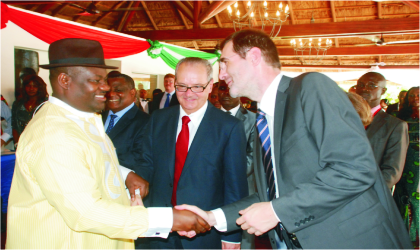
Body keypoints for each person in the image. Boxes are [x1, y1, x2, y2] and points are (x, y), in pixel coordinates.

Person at [177, 29, 412, 249]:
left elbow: (355, 168)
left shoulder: (309, 87)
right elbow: (271, 195)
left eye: (225, 62)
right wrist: (212, 217)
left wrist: (276, 211)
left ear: (254, 57)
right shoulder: (263, 121)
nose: (221, 74)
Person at [6, 38, 210, 249]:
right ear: (65, 80)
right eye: (97, 80)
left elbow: (90, 159)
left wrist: (125, 175)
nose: (106, 87)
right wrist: (169, 220)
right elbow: (86, 212)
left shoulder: (84, 117)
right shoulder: (53, 135)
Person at [142, 57, 248, 249]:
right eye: (182, 86)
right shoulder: (158, 119)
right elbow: (145, 164)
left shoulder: (229, 127)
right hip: (159, 230)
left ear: (210, 86)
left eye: (197, 86)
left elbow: (235, 187)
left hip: (204, 232)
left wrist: (231, 236)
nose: (189, 93)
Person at [218, 79, 257, 248]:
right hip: (211, 189)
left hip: (243, 188)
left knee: (242, 240)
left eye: (229, 88)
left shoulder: (254, 119)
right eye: (221, 88)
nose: (225, 93)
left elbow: (253, 156)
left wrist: (223, 173)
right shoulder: (206, 117)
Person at [355, 72, 409, 190]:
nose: (364, 88)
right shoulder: (344, 119)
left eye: (371, 85)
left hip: (371, 195)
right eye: (360, 85)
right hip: (339, 194)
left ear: (383, 91)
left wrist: (369, 192)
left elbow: (392, 171)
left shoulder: (395, 126)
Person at [103, 73, 151, 199]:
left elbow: (138, 159)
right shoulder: (95, 116)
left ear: (132, 92)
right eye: (108, 90)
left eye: (118, 90)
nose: (111, 94)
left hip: (122, 193)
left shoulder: (146, 122)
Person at [394, 86, 419, 248]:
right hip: (405, 162)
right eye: (412, 95)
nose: (416, 98)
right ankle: (404, 236)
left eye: (419, 95)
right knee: (405, 197)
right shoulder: (399, 117)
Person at [11, 74, 48, 145]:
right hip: (22, 143)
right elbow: (14, 126)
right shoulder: (18, 104)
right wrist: (17, 143)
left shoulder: (46, 104)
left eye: (35, 86)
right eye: (28, 86)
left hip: (41, 143)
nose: (31, 88)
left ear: (40, 88)